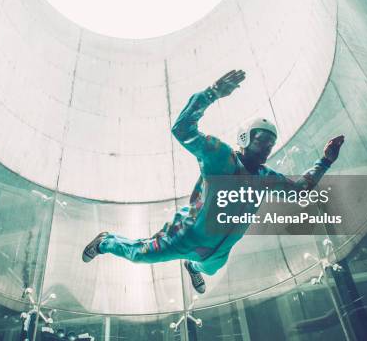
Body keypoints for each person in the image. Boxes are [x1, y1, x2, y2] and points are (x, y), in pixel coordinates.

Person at [82, 70, 345, 294]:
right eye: (261, 140)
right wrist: (212, 93)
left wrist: (326, 161)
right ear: (244, 139)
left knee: (208, 268)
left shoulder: (266, 179)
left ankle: (192, 266)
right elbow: (182, 129)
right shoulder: (220, 156)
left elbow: (300, 192)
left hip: (217, 253)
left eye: (270, 143)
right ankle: (105, 241)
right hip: (185, 236)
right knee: (140, 255)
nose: (266, 147)